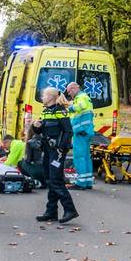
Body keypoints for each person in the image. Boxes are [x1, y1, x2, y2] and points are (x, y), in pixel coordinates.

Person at [36, 86, 78, 223]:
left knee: (55, 179)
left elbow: (68, 131)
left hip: (57, 150)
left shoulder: (60, 111)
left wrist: (61, 148)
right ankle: (51, 211)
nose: (42, 98)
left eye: (44, 95)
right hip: (48, 149)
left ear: (50, 97)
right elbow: (40, 131)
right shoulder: (45, 111)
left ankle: (70, 209)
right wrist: (35, 126)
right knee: (49, 178)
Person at [65, 81, 96, 189]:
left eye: (69, 92)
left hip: (81, 131)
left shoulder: (81, 97)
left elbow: (81, 106)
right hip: (86, 131)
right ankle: (87, 181)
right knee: (86, 157)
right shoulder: (85, 97)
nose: (69, 95)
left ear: (74, 88)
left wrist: (70, 107)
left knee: (79, 157)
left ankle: (81, 183)